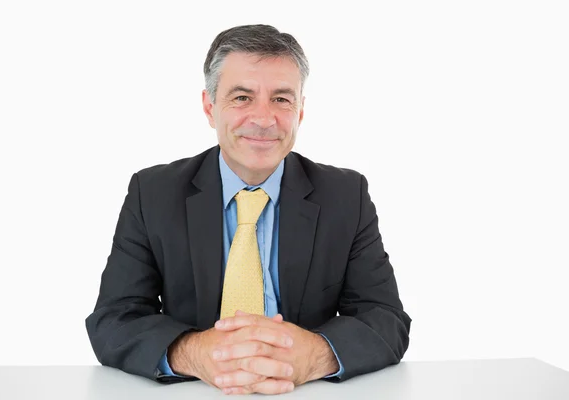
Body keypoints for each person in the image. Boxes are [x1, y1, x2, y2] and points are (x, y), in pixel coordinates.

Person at [85, 24, 412, 396]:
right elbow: (113, 319)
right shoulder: (153, 193)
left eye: (281, 99)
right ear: (210, 107)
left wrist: (316, 354)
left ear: (300, 111)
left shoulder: (346, 195)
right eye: (242, 97)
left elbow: (386, 319)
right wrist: (192, 353)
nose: (263, 118)